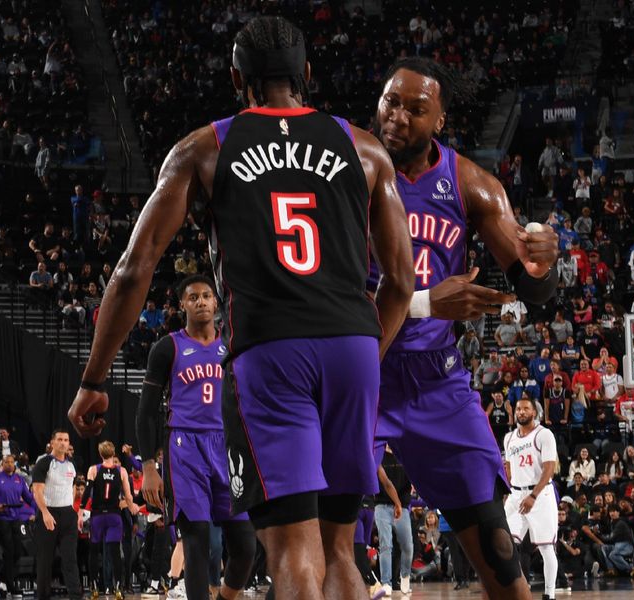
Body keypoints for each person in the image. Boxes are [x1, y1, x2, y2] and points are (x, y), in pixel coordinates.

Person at [68, 17, 414, 600]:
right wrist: (365, 352)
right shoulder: (365, 147)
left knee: (293, 553)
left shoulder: (204, 147)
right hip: (353, 347)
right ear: (306, 75)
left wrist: (94, 378)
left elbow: (134, 267)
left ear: (237, 79)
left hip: (271, 351)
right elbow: (401, 281)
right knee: (339, 551)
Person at [370, 56, 558, 600]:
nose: (398, 117)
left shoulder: (471, 184)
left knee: (501, 555)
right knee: (325, 546)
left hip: (437, 382)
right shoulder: (350, 168)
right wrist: (426, 302)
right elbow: (327, 297)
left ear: (440, 121)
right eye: (390, 102)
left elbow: (531, 286)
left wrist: (546, 262)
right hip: (362, 367)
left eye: (415, 109)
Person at [137, 275, 256, 600]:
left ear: (216, 303)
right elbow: (146, 411)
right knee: (196, 539)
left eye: (206, 296)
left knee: (246, 545)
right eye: (193, 297)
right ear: (182, 305)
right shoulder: (167, 347)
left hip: (228, 447)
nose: (201, 301)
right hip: (184, 447)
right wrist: (149, 466)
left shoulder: (232, 345)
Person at [504, 397, 560, 600]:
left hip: (540, 494)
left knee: (546, 547)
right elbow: (508, 468)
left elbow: (549, 468)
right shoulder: (509, 437)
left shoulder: (544, 434)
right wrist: (507, 493)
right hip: (516, 494)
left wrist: (533, 496)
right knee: (502, 542)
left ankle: (549, 594)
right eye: (518, 409)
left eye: (525, 408)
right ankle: (517, 586)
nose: (521, 412)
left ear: (534, 412)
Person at [31, 429, 82, 600]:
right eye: (59, 439)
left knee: (70, 559)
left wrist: (75, 510)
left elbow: (73, 486)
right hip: (48, 513)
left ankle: (76, 596)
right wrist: (44, 512)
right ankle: (43, 597)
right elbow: (36, 491)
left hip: (68, 514)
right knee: (45, 561)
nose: (63, 443)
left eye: (66, 440)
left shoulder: (71, 464)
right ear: (52, 442)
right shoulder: (43, 463)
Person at [82, 441, 137, 599]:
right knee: (114, 552)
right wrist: (131, 506)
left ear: (100, 454)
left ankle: (94, 587)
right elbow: (128, 495)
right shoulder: (122, 471)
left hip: (98, 516)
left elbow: (87, 493)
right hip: (114, 516)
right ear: (113, 454)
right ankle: (118, 588)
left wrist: (80, 512)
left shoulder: (94, 469)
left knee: (94, 551)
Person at [0, 454, 35, 595]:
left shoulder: (19, 479)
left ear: (14, 464)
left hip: (15, 518)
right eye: (7, 462)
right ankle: (10, 585)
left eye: (12, 462)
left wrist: (40, 509)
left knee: (17, 552)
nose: (10, 464)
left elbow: (29, 497)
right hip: (0, 518)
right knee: (9, 551)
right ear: (2, 464)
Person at [373, 447, 411, 596]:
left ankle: (405, 575)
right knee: (385, 545)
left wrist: (401, 504)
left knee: (408, 546)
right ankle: (386, 583)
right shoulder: (379, 454)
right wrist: (397, 504)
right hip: (382, 505)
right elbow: (386, 483)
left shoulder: (405, 455)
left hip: (403, 506)